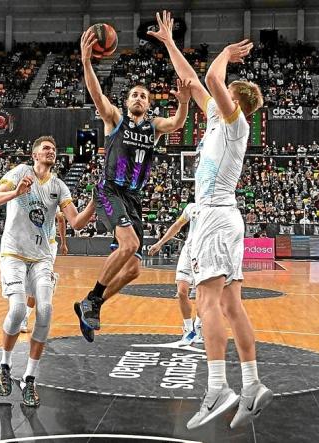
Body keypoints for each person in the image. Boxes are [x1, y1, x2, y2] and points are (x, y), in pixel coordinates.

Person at [149, 10, 272, 430]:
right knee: (232, 305)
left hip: (216, 218)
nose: (214, 98)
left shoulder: (235, 124)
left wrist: (222, 54)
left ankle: (218, 386)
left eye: (225, 96)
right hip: (225, 218)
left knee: (206, 303)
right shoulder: (220, 119)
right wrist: (168, 43)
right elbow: (198, 81)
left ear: (236, 103)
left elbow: (215, 81)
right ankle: (253, 384)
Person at [73, 21, 192, 343]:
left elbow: (178, 122)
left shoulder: (154, 126)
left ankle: (90, 304)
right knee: (130, 245)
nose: (138, 98)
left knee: (134, 269)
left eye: (143, 95)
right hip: (110, 189)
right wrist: (86, 62)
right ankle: (93, 299)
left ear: (149, 103)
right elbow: (96, 94)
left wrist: (183, 101)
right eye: (134, 94)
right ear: (127, 102)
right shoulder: (115, 119)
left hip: (135, 198)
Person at [0, 135, 94, 408]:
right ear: (34, 155)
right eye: (46, 148)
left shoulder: (58, 186)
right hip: (13, 253)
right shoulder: (19, 173)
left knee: (45, 311)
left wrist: (95, 201)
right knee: (18, 310)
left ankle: (31, 377)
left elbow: (77, 222)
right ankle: (5, 366)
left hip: (42, 257)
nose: (51, 151)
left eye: (54, 149)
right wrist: (16, 193)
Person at [148, 202, 203, 345]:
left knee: (203, 295)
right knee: (182, 292)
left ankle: (198, 326)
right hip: (188, 252)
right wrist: (159, 243)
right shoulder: (191, 207)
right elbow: (177, 225)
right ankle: (188, 329)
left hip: (206, 255)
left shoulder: (218, 208)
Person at [20, 211, 69, 334]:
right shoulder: (27, 201)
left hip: (47, 247)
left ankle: (25, 318)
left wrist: (63, 242)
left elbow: (61, 218)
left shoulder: (51, 200)